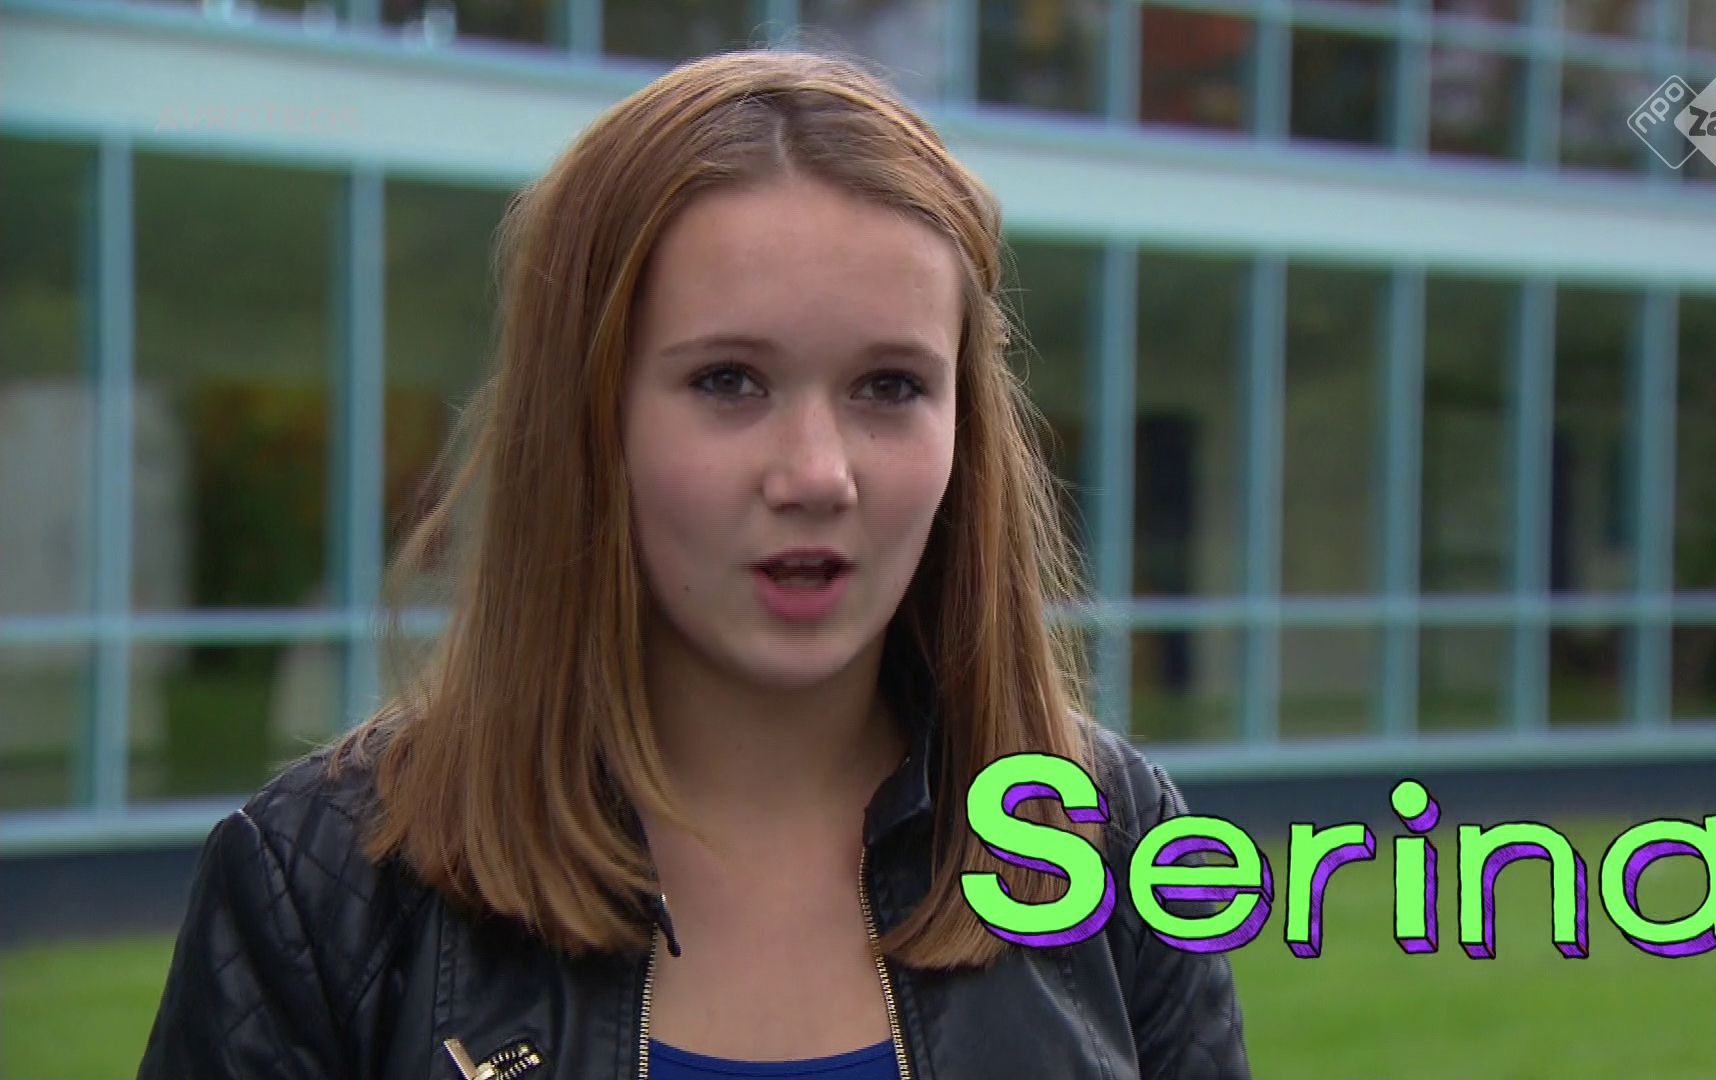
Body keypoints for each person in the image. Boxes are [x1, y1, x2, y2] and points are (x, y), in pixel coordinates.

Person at [136, 49, 1251, 1080]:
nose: (817, 474)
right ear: (588, 419)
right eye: (728, 381)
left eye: (890, 386)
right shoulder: (321, 893)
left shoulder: (1115, 844)